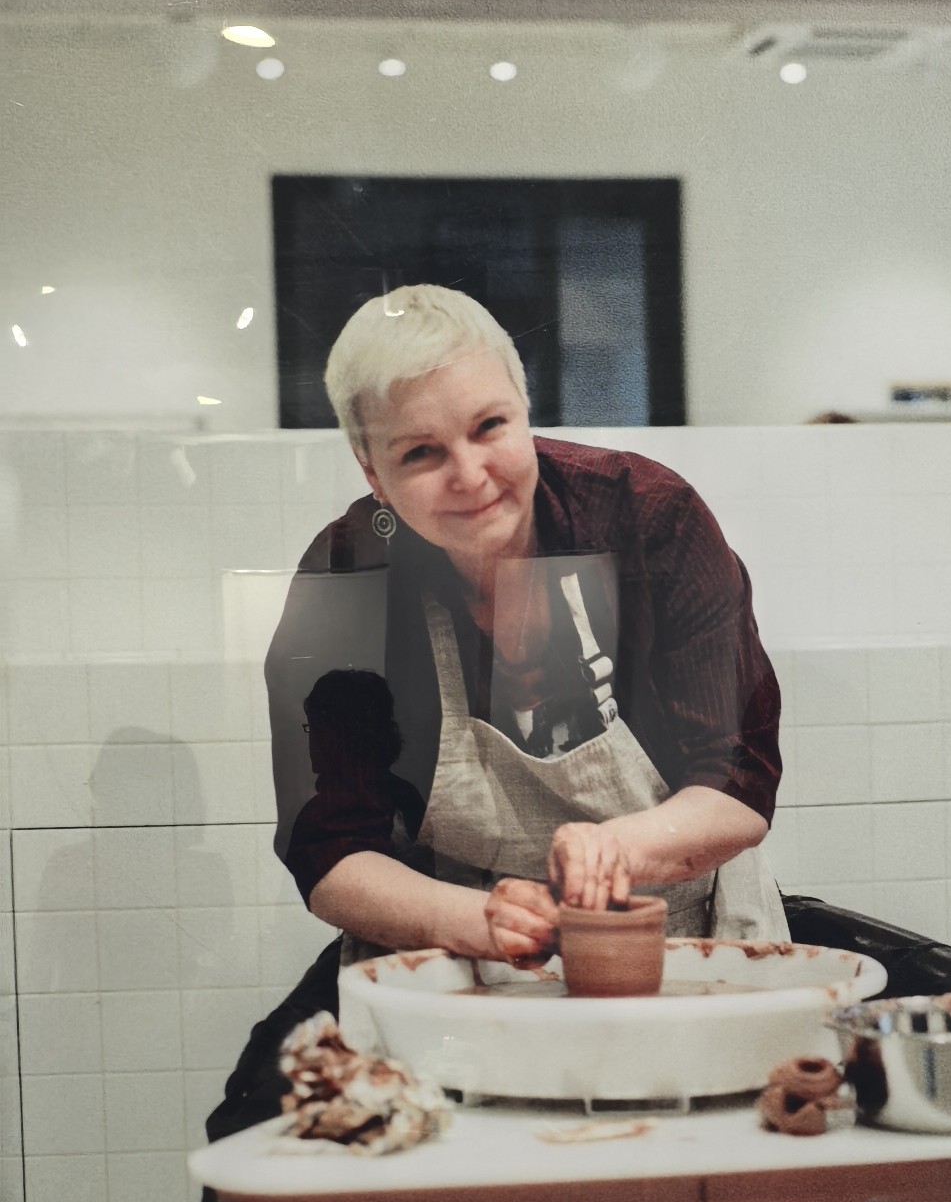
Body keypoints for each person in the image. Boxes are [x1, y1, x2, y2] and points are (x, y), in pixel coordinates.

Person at [268, 282, 788, 959]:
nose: (470, 475)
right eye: (420, 453)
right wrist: (473, 919)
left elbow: (738, 781)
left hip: (685, 935)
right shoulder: (350, 573)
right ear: (373, 473)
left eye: (490, 426)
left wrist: (615, 849)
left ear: (525, 412)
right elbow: (329, 849)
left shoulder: (647, 517)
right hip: (454, 949)